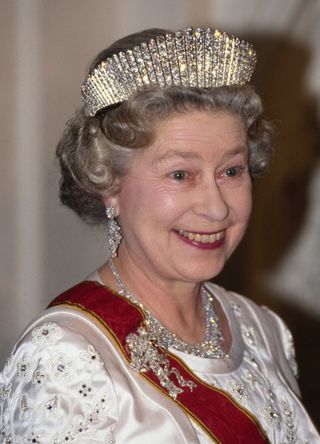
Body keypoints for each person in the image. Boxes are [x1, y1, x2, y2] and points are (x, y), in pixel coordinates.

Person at [0, 26, 319, 443]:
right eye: (180, 174)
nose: (217, 207)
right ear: (109, 184)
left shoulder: (263, 329)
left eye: (231, 171)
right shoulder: (68, 355)